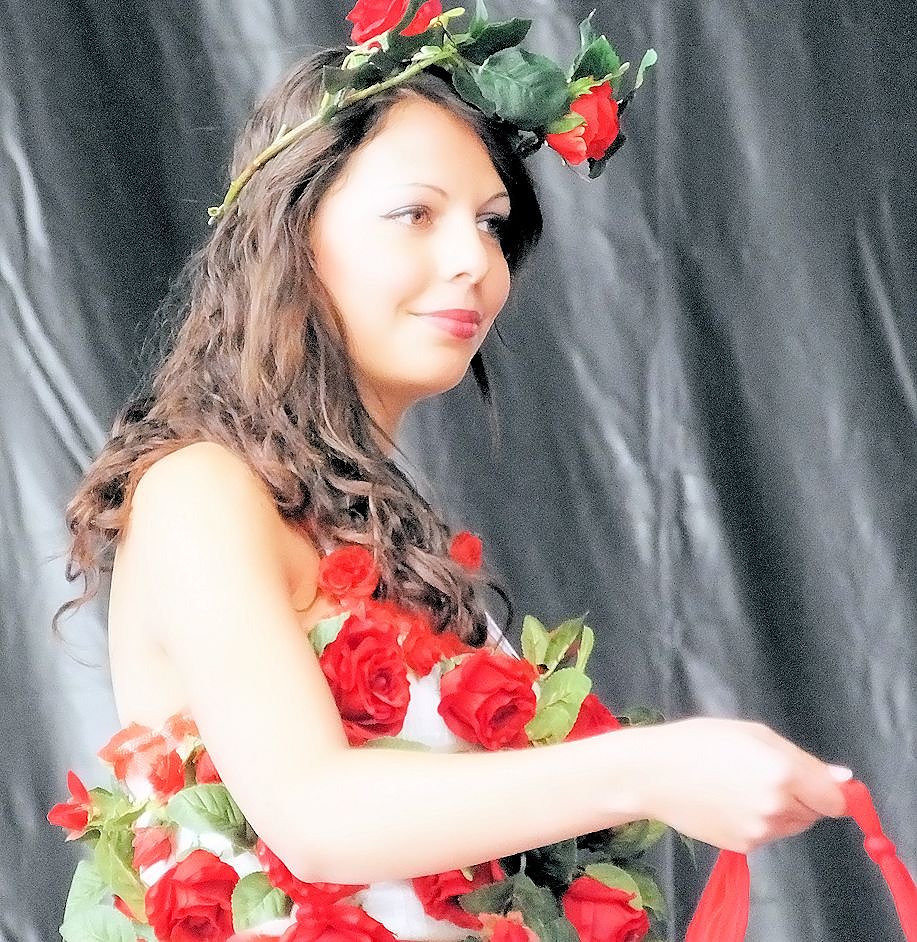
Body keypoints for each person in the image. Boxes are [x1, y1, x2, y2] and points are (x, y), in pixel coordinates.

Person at [56, 3, 851, 931]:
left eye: (490, 223)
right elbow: (314, 817)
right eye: (415, 214)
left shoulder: (366, 515)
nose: (472, 259)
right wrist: (651, 769)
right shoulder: (201, 490)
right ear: (291, 233)